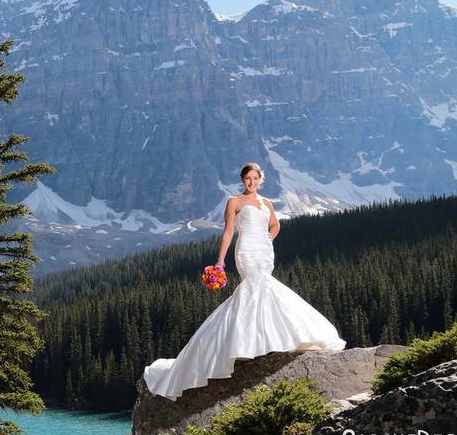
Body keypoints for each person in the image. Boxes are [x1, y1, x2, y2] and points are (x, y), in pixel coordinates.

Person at [143, 162, 346, 400]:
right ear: (242, 180)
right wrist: (220, 260)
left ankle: (262, 339)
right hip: (246, 250)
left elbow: (275, 225)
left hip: (263, 250)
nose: (251, 182)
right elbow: (229, 231)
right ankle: (246, 343)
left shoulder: (266, 203)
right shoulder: (235, 202)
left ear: (261, 179)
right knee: (254, 287)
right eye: (247, 178)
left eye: (255, 178)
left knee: (267, 289)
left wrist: (267, 240)